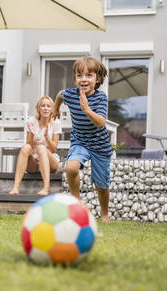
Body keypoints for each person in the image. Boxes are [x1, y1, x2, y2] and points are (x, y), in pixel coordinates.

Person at [54, 56, 111, 224]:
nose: (83, 79)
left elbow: (100, 122)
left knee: (101, 185)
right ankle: (77, 203)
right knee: (71, 168)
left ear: (98, 79)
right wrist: (56, 108)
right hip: (80, 141)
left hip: (100, 146)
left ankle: (105, 213)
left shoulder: (101, 98)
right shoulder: (71, 94)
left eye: (89, 75)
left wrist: (87, 109)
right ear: (75, 78)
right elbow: (59, 95)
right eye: (79, 75)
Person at [9, 96, 61, 196]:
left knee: (41, 148)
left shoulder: (56, 122)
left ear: (52, 109)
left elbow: (54, 149)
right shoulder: (32, 121)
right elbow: (29, 146)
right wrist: (32, 134)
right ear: (39, 108)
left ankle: (46, 188)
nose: (46, 108)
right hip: (33, 163)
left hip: (50, 161)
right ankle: (15, 187)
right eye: (43, 106)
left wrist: (47, 138)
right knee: (25, 147)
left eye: (48, 106)